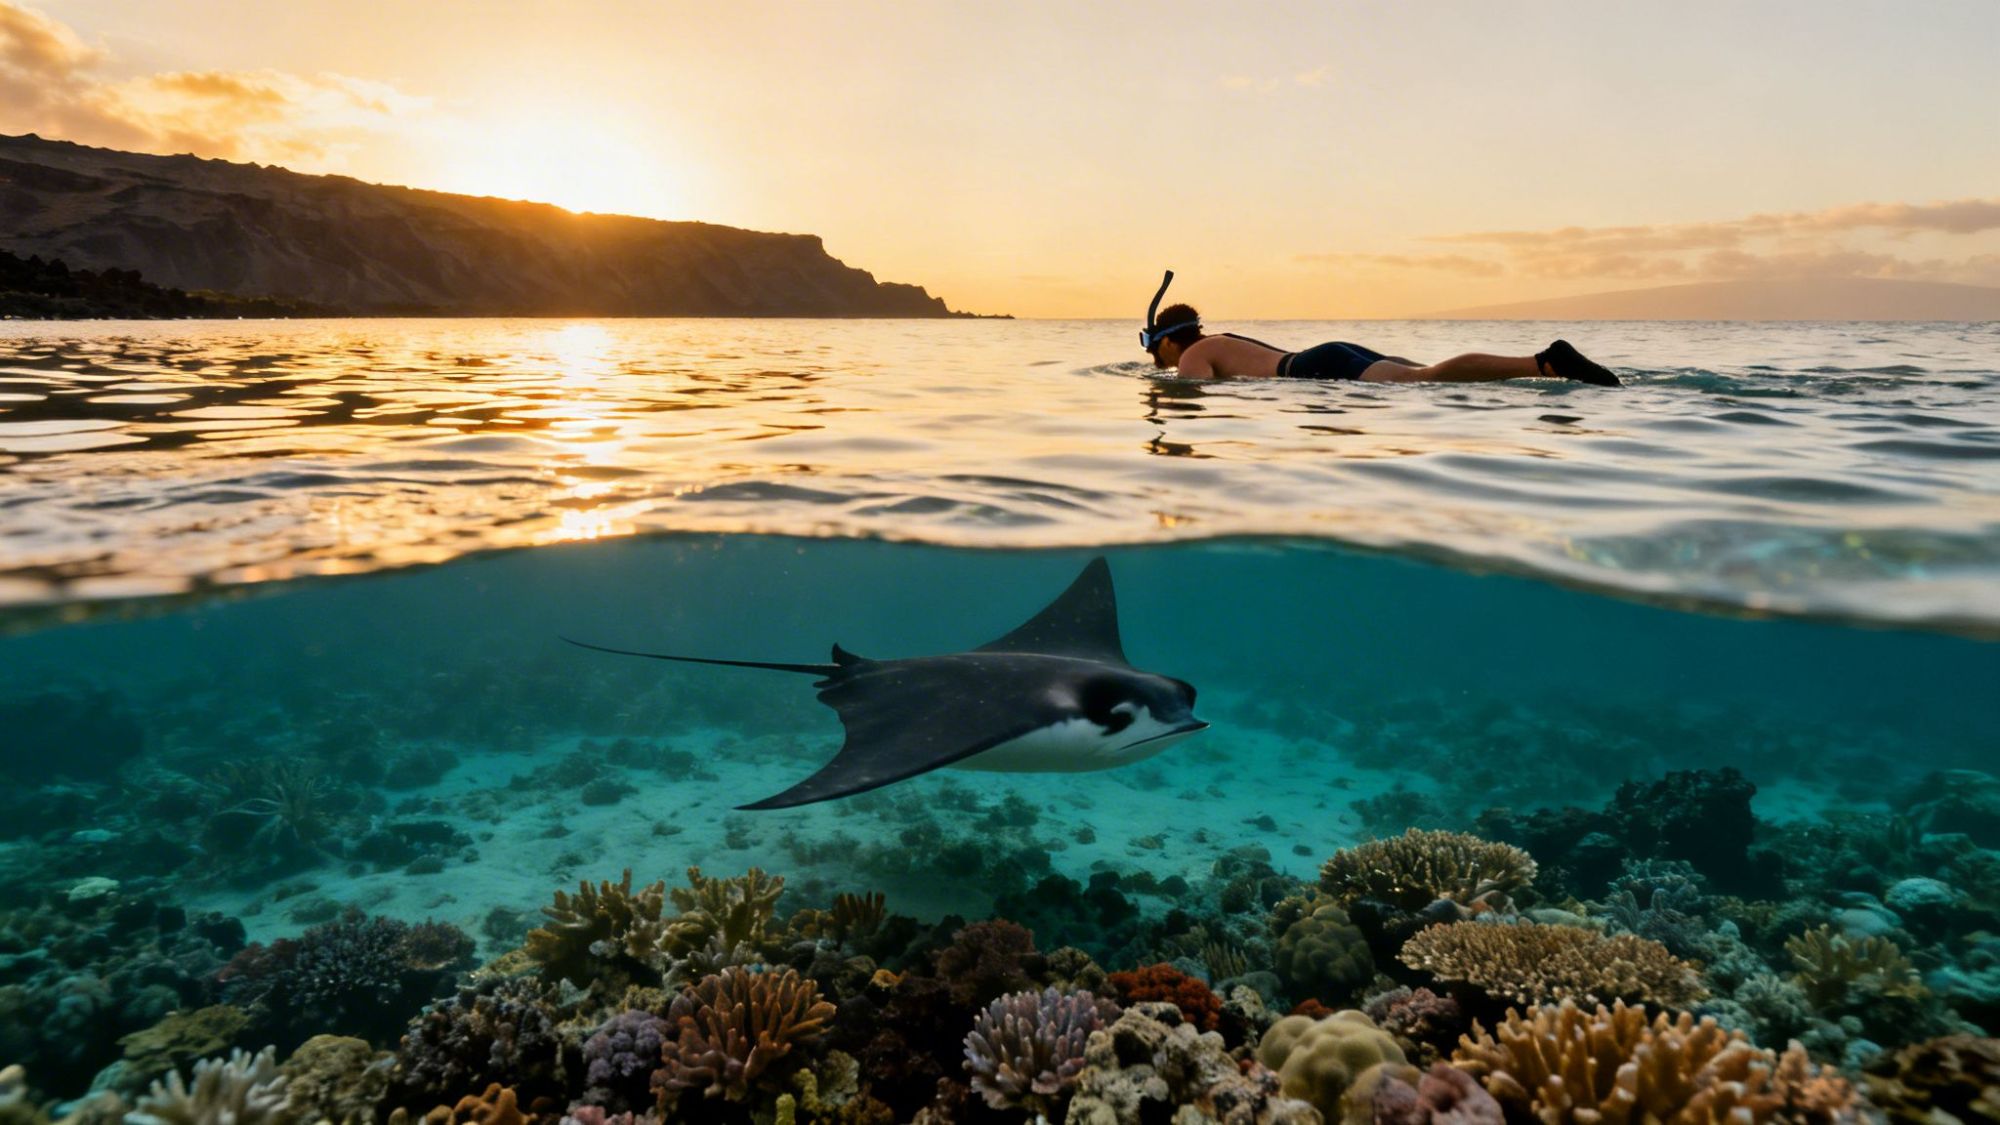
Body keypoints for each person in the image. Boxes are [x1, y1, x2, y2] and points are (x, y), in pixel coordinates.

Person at [1136, 273, 1622, 385]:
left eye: (1151, 348)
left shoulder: (1194, 354)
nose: (1154, 359)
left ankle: (1545, 363)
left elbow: (1190, 395)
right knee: (1426, 375)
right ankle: (1540, 365)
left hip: (1312, 368)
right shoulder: (1227, 340)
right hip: (1323, 356)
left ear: (1170, 339)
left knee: (1425, 381)